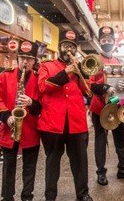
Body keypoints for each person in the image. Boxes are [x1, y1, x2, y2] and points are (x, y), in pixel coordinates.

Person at [37, 30, 93, 201]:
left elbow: (88, 90)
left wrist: (81, 73)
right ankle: (50, 195)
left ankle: (82, 194)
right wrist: (66, 72)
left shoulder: (79, 68)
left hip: (76, 122)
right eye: (65, 46)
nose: (68, 49)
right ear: (59, 47)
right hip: (53, 122)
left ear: (75, 50)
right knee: (52, 161)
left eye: (71, 47)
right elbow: (43, 86)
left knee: (80, 162)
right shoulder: (46, 65)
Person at [89, 26, 124, 186]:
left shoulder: (119, 61)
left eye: (109, 39)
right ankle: (101, 172)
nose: (106, 42)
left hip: (118, 105)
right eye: (103, 40)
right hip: (100, 107)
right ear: (99, 41)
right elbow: (91, 85)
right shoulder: (94, 60)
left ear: (113, 42)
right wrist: (104, 87)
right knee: (100, 139)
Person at [0, 40, 41, 201]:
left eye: (29, 59)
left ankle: (27, 195)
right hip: (10, 126)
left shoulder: (38, 78)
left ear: (34, 61)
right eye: (22, 58)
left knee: (30, 166)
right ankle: (8, 196)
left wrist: (31, 102)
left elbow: (42, 106)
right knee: (8, 166)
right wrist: (7, 117)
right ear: (17, 59)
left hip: (30, 129)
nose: (25, 62)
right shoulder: (5, 76)